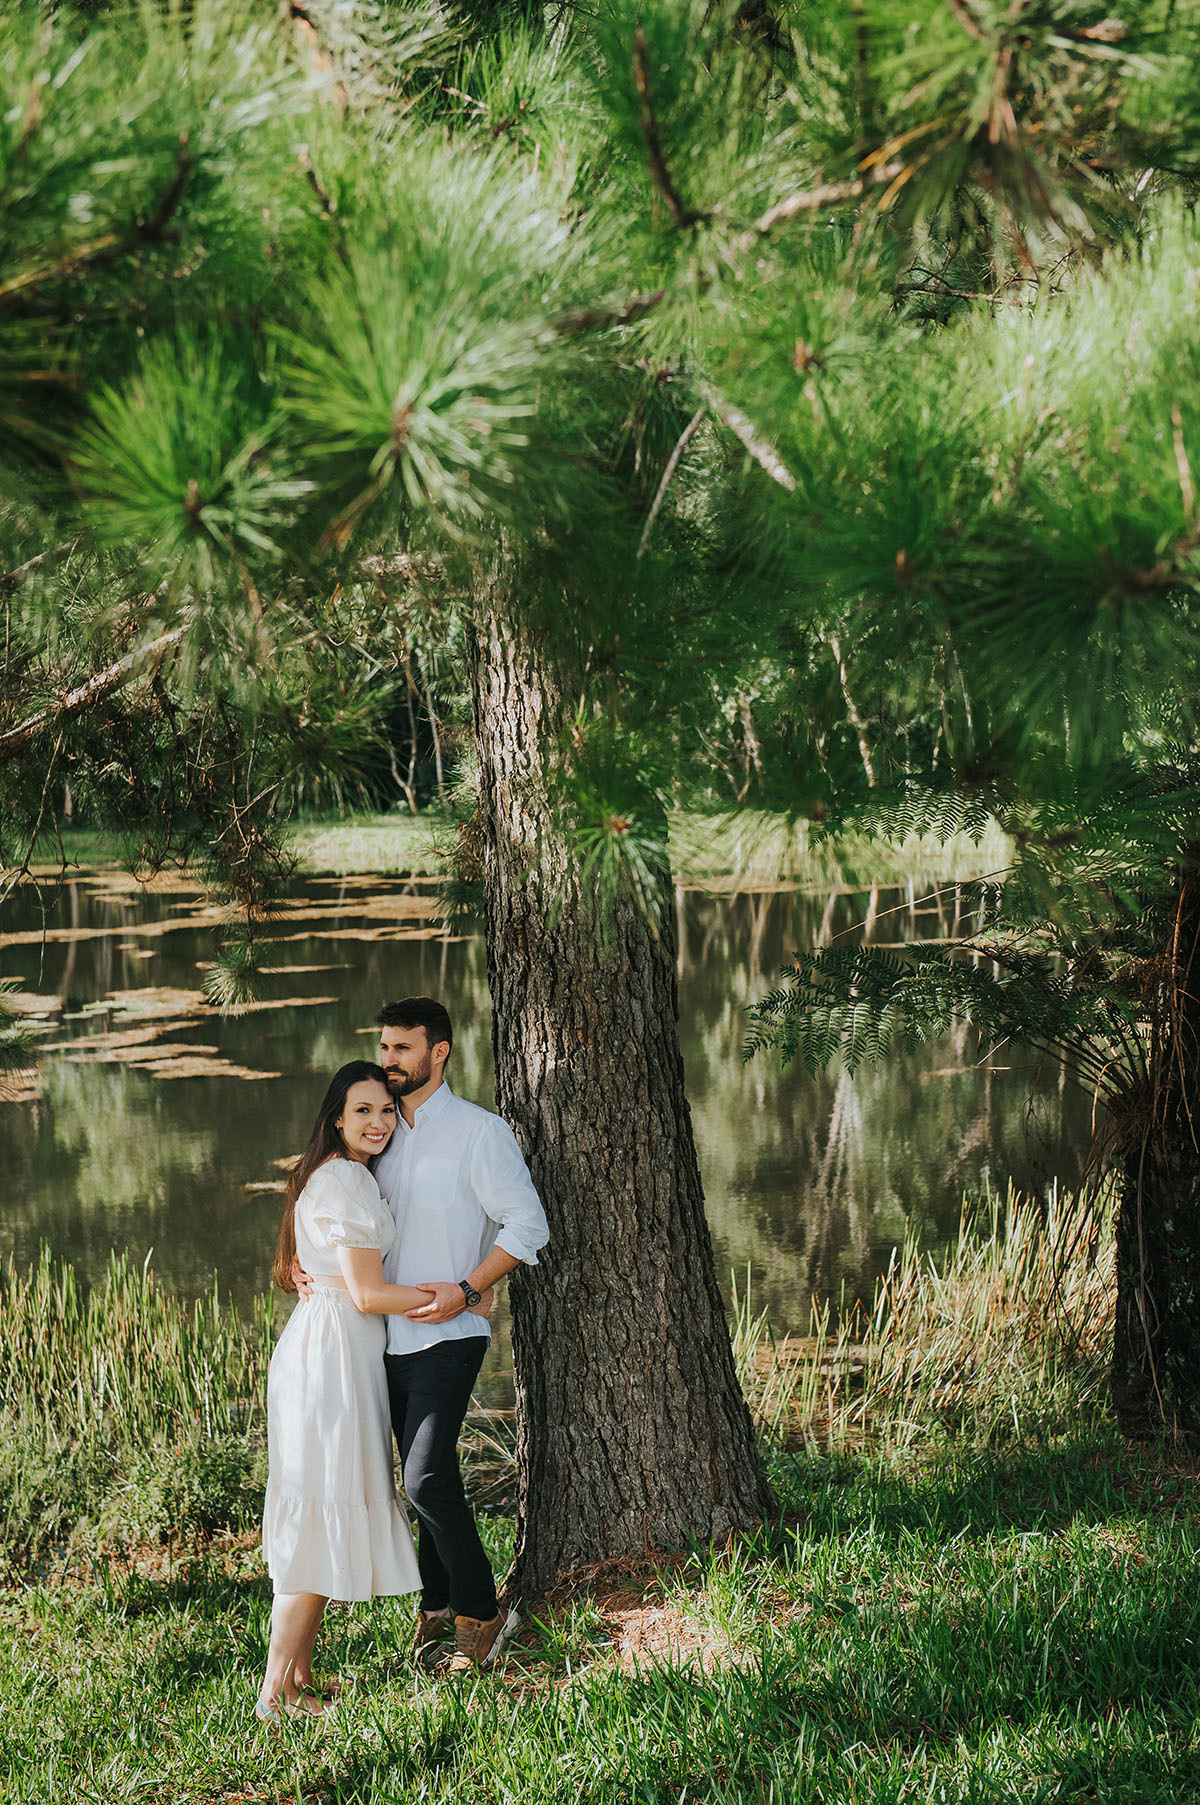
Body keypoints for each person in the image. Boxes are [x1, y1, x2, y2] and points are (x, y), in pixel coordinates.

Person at [256, 1060, 493, 1721]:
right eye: (362, 1110)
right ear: (337, 1117)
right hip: (331, 1358)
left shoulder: (341, 1175)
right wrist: (462, 1293)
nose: (378, 1121)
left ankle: (299, 1676)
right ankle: (275, 1695)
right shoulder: (344, 1179)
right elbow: (366, 1292)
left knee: (320, 1511)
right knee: (316, 1518)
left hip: (339, 1348)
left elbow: (342, 1274)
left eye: (387, 1110)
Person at [373, 995, 549, 1675]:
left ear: (438, 1051)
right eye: (384, 1047)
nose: (389, 1059)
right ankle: (436, 1604)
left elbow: (527, 1224)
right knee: (418, 1483)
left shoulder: (480, 1132)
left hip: (452, 1331)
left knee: (426, 1476)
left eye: (402, 1048)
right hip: (382, 1335)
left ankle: (480, 1611)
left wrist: (471, 1289)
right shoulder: (375, 1129)